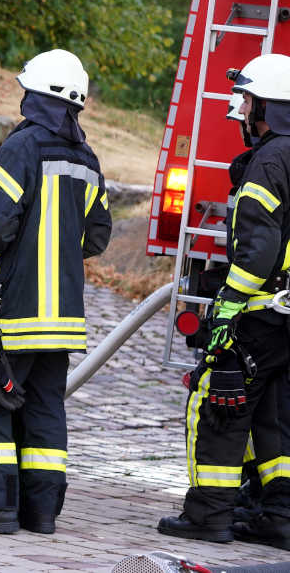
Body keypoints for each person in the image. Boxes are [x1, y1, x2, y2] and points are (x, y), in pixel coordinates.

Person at [0, 49, 111, 535]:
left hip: (13, 310)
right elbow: (96, 237)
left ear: (35, 97)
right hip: (63, 319)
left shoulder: (21, 148)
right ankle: (42, 514)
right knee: (45, 411)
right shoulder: (86, 158)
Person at [159, 53, 290, 548]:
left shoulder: (268, 162)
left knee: (218, 406)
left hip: (259, 311)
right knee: (277, 417)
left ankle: (209, 514)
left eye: (251, 102)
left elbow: (258, 248)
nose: (246, 112)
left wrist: (227, 307)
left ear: (270, 109)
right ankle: (280, 516)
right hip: (285, 319)